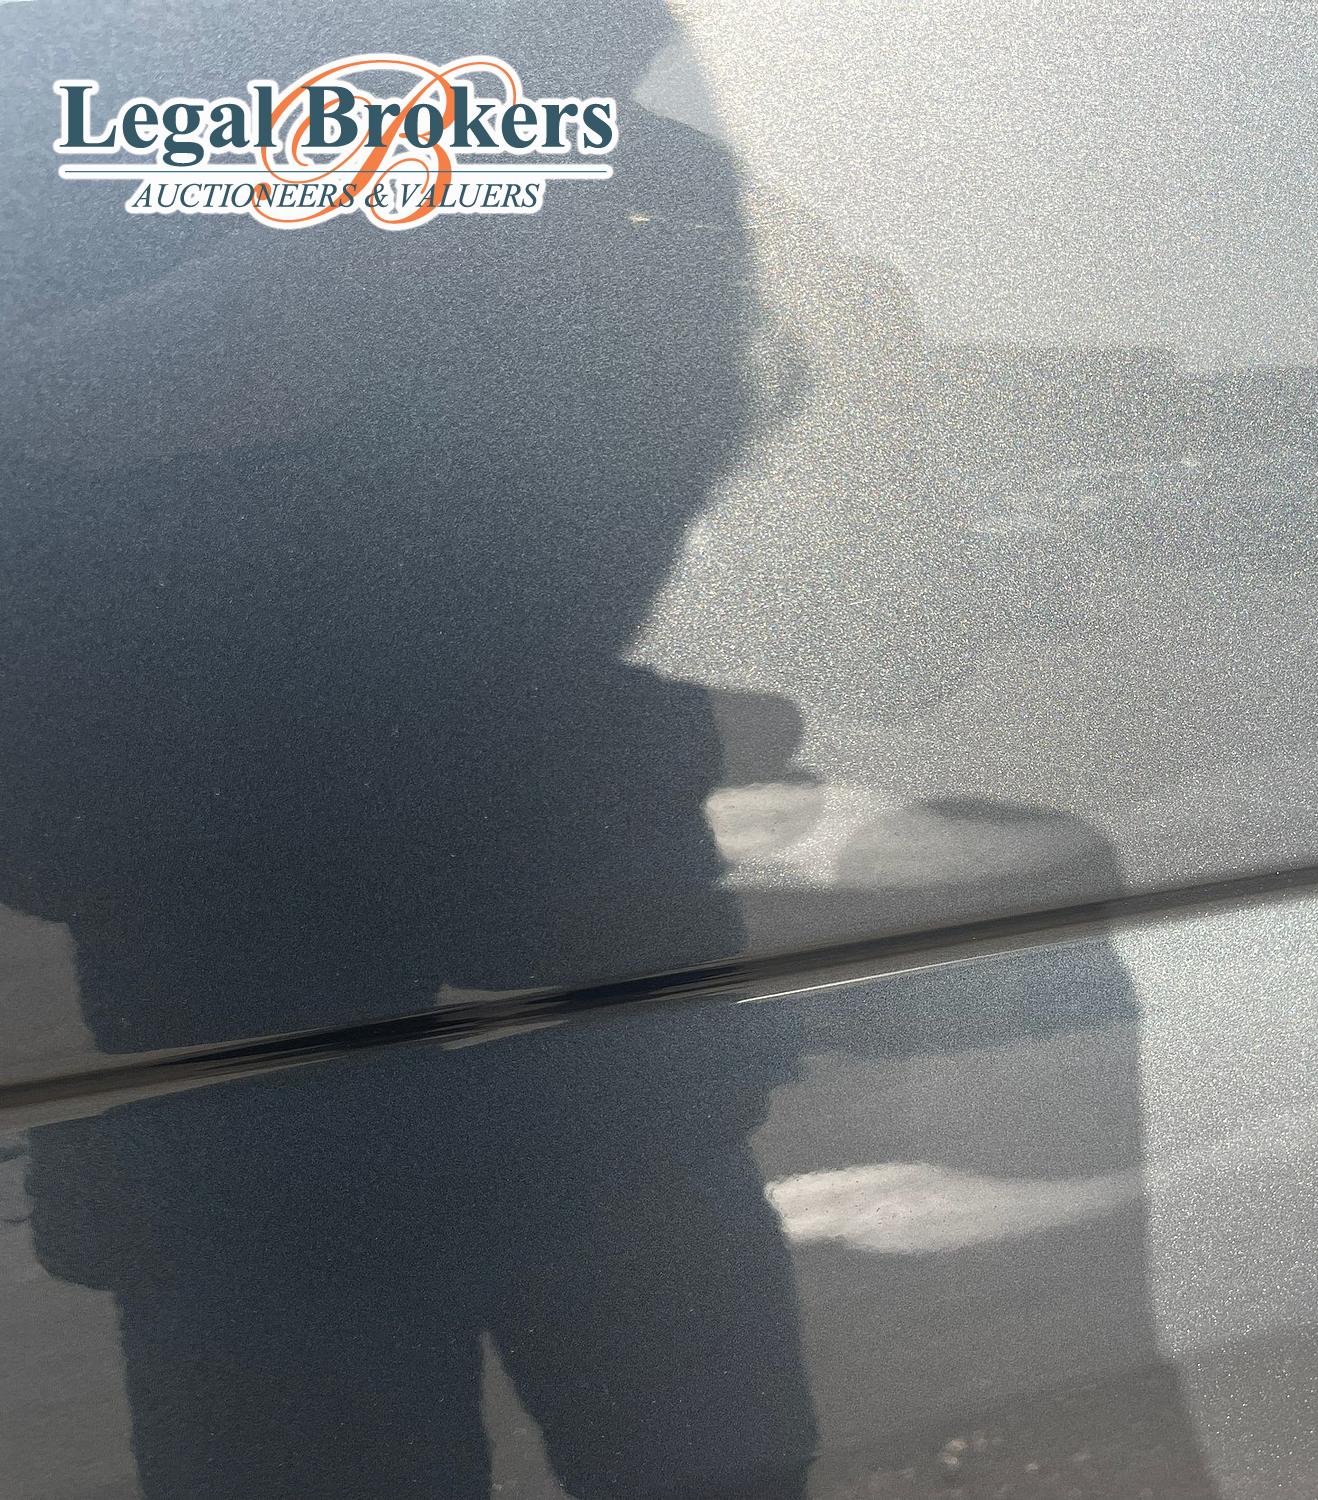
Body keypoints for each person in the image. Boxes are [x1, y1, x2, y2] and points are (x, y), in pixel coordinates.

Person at [2, 4, 816, 1495]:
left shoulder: (643, 190)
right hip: (271, 1082)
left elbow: (729, 523)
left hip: (549, 1048)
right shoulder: (83, 125)